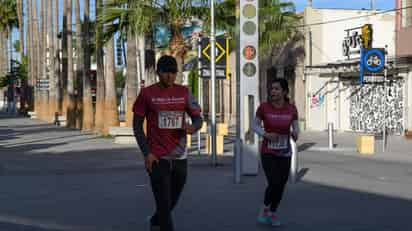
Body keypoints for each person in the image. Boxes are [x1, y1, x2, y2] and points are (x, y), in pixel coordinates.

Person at [132, 55, 203, 231]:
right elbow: (137, 126)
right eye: (166, 73)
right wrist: (146, 153)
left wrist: (193, 128)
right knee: (163, 202)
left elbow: (198, 118)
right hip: (157, 155)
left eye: (173, 73)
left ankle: (156, 220)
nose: (170, 76)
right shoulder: (147, 94)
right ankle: (161, 222)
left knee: (172, 200)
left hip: (180, 154)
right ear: (158, 73)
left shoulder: (184, 92)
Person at [252, 78, 299, 226]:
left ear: (284, 92)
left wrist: (296, 133)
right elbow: (254, 125)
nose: (273, 92)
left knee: (281, 184)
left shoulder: (291, 109)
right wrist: (265, 134)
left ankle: (273, 212)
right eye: (272, 89)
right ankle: (265, 208)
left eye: (277, 89)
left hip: (285, 151)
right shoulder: (264, 108)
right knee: (274, 182)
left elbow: (296, 126)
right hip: (268, 151)